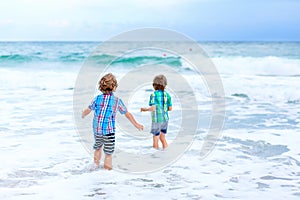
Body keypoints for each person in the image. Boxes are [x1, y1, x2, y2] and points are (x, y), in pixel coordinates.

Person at [82, 73, 143, 170]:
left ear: (101, 87)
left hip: (97, 129)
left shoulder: (97, 98)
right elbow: (127, 113)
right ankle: (107, 172)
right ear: (114, 87)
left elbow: (88, 109)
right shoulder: (116, 101)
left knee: (98, 148)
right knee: (108, 153)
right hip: (109, 131)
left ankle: (95, 166)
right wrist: (136, 124)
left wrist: (83, 114)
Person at [141, 74, 172, 149]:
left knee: (155, 138)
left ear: (154, 85)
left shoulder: (153, 95)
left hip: (157, 120)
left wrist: (145, 109)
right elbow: (170, 108)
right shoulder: (167, 95)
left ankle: (156, 156)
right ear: (165, 85)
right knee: (162, 138)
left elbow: (153, 108)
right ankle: (166, 152)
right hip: (165, 119)